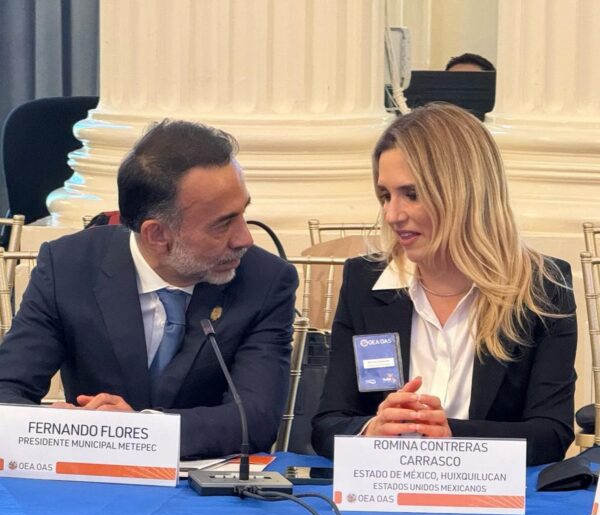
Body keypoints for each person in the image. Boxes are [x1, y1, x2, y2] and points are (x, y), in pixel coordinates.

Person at [0, 120, 298, 459]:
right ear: (157, 234)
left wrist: (138, 430)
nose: (245, 239)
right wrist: (53, 425)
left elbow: (255, 420)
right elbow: (7, 389)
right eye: (223, 224)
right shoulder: (68, 266)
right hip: (91, 476)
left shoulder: (265, 280)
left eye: (242, 213)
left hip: (201, 483)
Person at [312, 103, 576, 466]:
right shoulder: (364, 283)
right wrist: (371, 430)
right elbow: (327, 424)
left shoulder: (543, 288)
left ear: (464, 193)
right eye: (386, 196)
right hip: (386, 488)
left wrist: (452, 436)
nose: (392, 215)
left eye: (412, 194)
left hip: (492, 495)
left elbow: (551, 434)